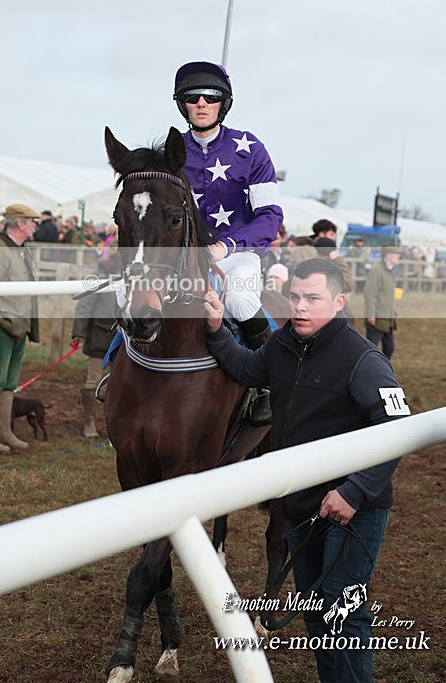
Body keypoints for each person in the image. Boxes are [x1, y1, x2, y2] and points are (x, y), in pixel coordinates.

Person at [204, 258, 409, 683]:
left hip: (356, 507)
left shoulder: (363, 359)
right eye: (295, 296)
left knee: (341, 611)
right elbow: (245, 368)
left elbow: (399, 428)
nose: (300, 306)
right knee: (316, 612)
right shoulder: (282, 344)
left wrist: (354, 492)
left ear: (337, 301)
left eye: (312, 298)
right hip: (302, 504)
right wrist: (217, 328)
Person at [173, 60, 283, 424]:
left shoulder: (250, 148)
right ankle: (116, 368)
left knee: (237, 296)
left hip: (238, 255)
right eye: (193, 97)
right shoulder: (171, 152)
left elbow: (271, 217)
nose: (202, 103)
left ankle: (271, 384)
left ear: (224, 103)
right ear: (182, 104)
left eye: (211, 96)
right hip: (184, 257)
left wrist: (226, 247)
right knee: (133, 293)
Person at [0, 204, 41, 452]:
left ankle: (3, 430)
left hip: (19, 325)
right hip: (1, 325)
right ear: (21, 224)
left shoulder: (23, 250)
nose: (35, 225)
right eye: (32, 221)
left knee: (10, 381)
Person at [71, 289, 117, 438]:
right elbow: (84, 307)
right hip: (97, 339)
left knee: (119, 381)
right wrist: (78, 332)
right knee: (94, 380)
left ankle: (115, 424)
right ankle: (89, 422)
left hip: (119, 339)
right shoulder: (97, 280)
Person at [363, 244, 401, 360]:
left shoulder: (390, 271)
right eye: (395, 254)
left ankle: (383, 372)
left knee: (389, 347)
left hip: (387, 317)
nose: (398, 256)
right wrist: (371, 314)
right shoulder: (377, 270)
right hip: (377, 317)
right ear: (387, 255)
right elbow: (369, 294)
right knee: (370, 349)